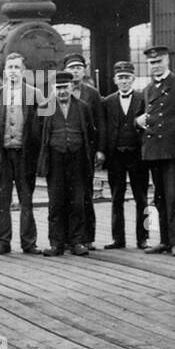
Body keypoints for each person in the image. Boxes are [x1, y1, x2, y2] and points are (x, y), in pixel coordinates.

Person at [137, 44, 175, 256]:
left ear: (167, 61)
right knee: (160, 199)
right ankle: (164, 240)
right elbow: (140, 117)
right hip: (155, 151)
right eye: (151, 63)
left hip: (173, 150)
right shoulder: (147, 90)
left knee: (174, 197)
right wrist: (138, 121)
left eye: (158, 61)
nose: (155, 66)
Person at [0, 52, 43, 255]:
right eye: (9, 68)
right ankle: (3, 242)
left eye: (17, 67)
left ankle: (29, 242)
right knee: (2, 201)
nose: (13, 72)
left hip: (25, 156)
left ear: (24, 71)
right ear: (4, 71)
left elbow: (41, 128)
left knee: (26, 200)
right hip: (2, 156)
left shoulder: (34, 94)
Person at [37, 71, 97, 256]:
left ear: (72, 87)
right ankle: (56, 243)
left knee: (77, 202)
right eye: (59, 88)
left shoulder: (83, 107)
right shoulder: (45, 108)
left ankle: (76, 241)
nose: (62, 91)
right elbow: (36, 136)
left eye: (65, 87)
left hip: (77, 160)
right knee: (56, 202)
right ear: (54, 89)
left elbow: (90, 133)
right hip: (55, 160)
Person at [99, 61, 149, 250]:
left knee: (142, 198)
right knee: (116, 198)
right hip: (116, 157)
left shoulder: (143, 98)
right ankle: (118, 239)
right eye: (120, 78)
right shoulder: (108, 101)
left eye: (127, 77)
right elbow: (104, 128)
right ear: (115, 80)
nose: (124, 81)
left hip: (138, 156)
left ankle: (144, 238)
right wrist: (103, 151)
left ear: (133, 79)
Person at [63, 52, 101, 249]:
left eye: (78, 67)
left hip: (86, 151)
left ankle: (87, 237)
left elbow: (100, 123)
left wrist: (99, 150)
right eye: (71, 68)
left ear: (84, 70)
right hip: (65, 151)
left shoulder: (92, 94)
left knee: (85, 195)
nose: (75, 71)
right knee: (66, 195)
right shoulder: (59, 92)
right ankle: (69, 237)